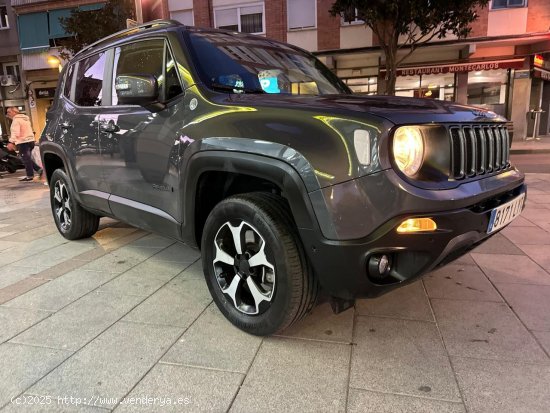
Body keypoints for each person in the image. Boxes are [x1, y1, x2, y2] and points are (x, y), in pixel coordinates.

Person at [6, 107, 42, 182]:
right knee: (26, 158)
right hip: (30, 141)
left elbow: (16, 133)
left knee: (25, 159)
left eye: (9, 112)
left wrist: (11, 142)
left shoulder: (16, 120)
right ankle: (39, 170)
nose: (8, 114)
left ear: (14, 112)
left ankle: (30, 176)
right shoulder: (25, 119)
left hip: (23, 142)